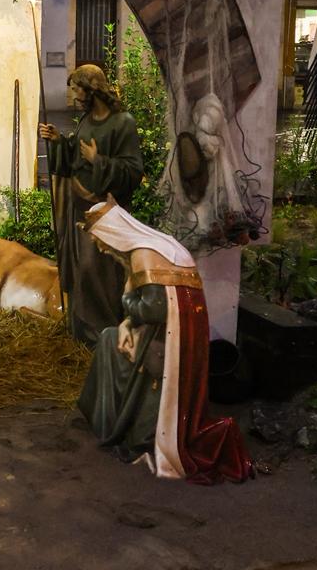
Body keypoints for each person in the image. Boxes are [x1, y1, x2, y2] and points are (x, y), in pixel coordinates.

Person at [77, 202, 253, 483]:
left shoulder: (143, 255)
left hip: (164, 342)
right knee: (112, 336)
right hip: (174, 334)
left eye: (101, 241)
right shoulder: (157, 245)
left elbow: (154, 309)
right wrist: (127, 323)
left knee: (108, 342)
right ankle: (108, 418)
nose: (101, 248)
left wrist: (126, 303)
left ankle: (116, 424)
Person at [38, 63, 144, 346]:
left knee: (95, 272)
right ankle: (80, 335)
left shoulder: (123, 123)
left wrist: (99, 161)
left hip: (103, 217)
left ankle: (103, 337)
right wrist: (60, 142)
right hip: (77, 209)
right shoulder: (86, 120)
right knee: (79, 271)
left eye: (77, 90)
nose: (73, 97)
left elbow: (133, 172)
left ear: (92, 89)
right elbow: (77, 155)